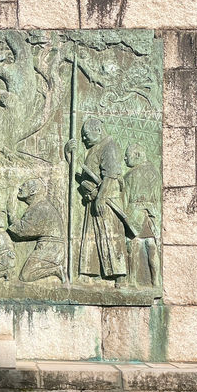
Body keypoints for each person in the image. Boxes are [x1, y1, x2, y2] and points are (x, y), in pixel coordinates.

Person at [65, 119, 127, 285]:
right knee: (92, 237)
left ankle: (119, 275)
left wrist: (101, 197)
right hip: (93, 199)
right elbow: (82, 175)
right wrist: (69, 156)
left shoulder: (109, 146)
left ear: (98, 130)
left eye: (86, 135)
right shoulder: (94, 148)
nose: (84, 139)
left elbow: (110, 175)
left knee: (110, 236)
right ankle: (91, 272)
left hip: (106, 200)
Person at [7, 178, 66, 283]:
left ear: (33, 191)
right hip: (49, 247)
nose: (20, 188)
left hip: (51, 249)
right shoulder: (38, 205)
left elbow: (23, 230)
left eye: (24, 185)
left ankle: (55, 270)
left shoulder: (41, 207)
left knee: (26, 276)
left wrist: (11, 214)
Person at [123, 143, 160, 287]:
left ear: (137, 155)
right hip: (151, 216)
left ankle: (132, 280)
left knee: (133, 246)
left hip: (135, 215)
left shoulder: (130, 176)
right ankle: (155, 281)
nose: (125, 159)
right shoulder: (155, 173)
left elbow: (124, 200)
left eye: (127, 155)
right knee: (151, 246)